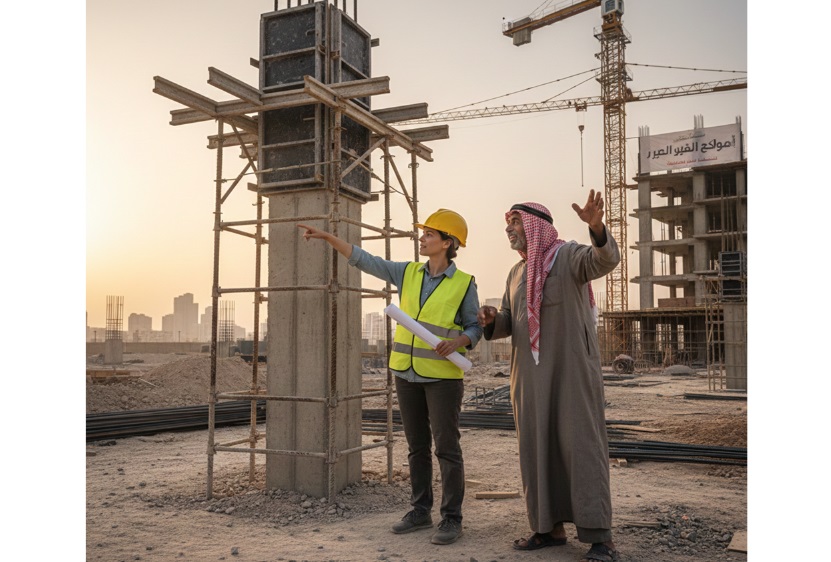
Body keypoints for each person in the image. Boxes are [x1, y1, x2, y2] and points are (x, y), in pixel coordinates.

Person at [298, 209, 482, 546]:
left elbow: (475, 326)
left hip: (443, 378)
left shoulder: (464, 283)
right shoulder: (408, 272)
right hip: (406, 373)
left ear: (448, 242)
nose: (421, 239)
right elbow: (364, 260)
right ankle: (420, 510)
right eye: (423, 233)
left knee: (447, 448)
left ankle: (452, 519)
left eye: (428, 234)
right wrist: (327, 238)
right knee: (416, 447)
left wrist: (460, 341)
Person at [477, 191, 622, 562]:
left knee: (582, 447)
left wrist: (596, 227)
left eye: (514, 222)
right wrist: (494, 322)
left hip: (572, 372)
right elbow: (511, 322)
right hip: (528, 378)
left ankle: (598, 536)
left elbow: (605, 260)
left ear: (534, 226)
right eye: (507, 224)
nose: (508, 229)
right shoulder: (515, 273)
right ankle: (547, 528)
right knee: (536, 449)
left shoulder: (569, 255)